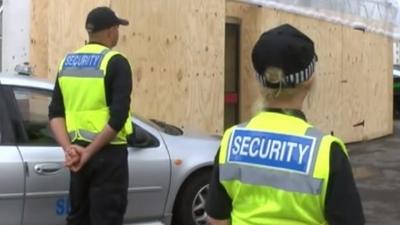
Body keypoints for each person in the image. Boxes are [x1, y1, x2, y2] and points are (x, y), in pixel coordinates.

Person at [205, 24, 365, 225]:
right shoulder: (326, 152)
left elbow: (216, 219)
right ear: (309, 79)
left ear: (259, 80)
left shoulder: (231, 141)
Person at [48, 6, 133, 225]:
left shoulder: (66, 63)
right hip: (108, 154)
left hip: (77, 155)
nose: (118, 33)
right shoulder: (116, 62)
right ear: (111, 31)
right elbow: (118, 117)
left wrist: (70, 150)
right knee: (107, 219)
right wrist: (89, 152)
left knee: (78, 218)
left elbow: (55, 113)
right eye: (117, 28)